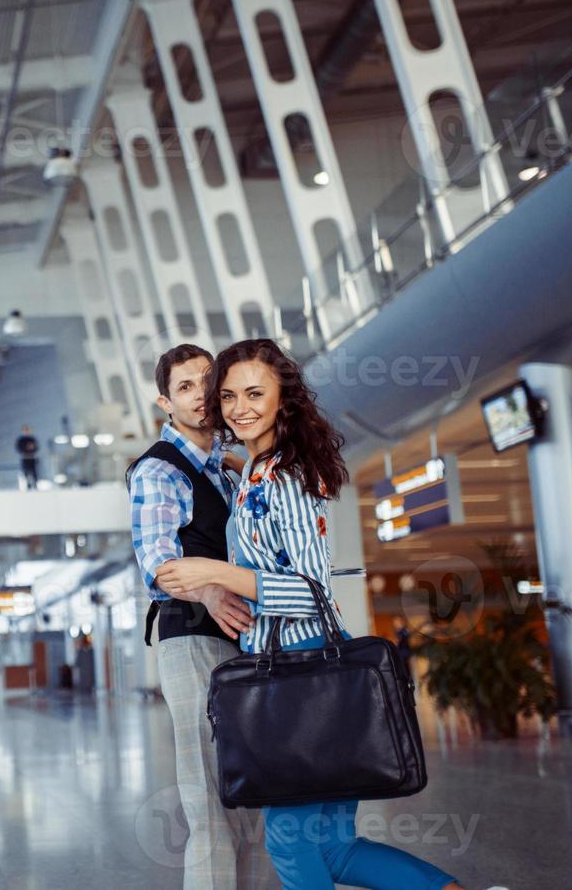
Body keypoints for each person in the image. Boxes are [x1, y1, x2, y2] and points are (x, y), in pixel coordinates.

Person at [156, 339, 467, 890]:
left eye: (255, 393)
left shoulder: (286, 476)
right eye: (228, 395)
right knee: (332, 847)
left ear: (285, 400)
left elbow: (307, 589)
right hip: (305, 669)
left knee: (291, 843)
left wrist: (215, 573)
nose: (238, 407)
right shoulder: (258, 469)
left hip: (303, 668)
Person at [127, 343, 258, 889]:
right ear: (165, 401)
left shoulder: (223, 469)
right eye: (184, 387)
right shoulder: (160, 469)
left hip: (238, 638)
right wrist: (206, 592)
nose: (200, 395)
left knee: (249, 800)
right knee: (209, 800)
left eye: (207, 382)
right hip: (192, 639)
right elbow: (156, 560)